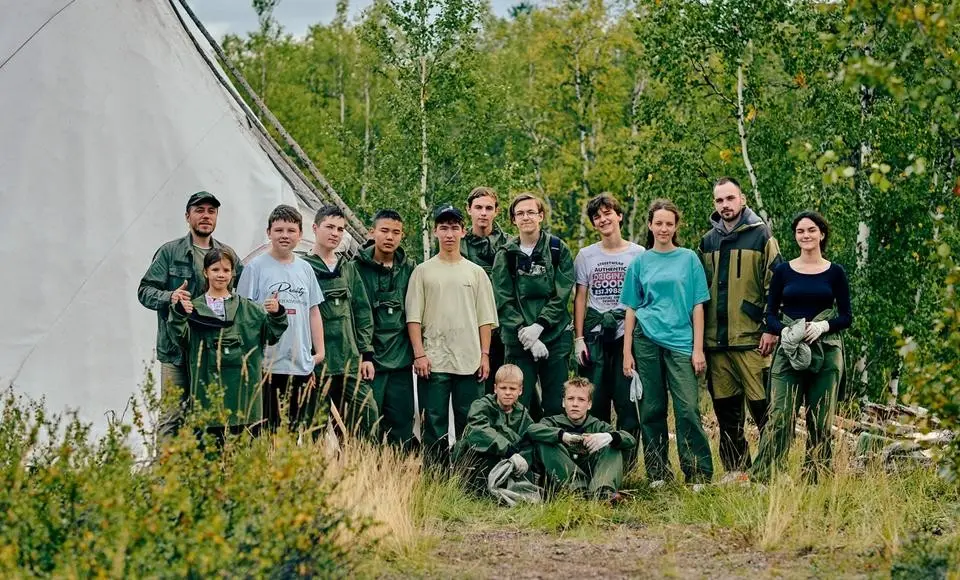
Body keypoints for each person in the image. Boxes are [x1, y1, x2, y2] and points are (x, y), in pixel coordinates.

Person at [750, 210, 851, 483]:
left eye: (811, 230)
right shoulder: (783, 271)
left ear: (822, 234)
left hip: (827, 352)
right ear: (795, 237)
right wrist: (786, 332)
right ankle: (765, 477)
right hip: (789, 352)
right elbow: (770, 314)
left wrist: (822, 326)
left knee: (820, 421)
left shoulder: (835, 273)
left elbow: (846, 317)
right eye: (800, 231)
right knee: (780, 415)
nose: (805, 235)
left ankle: (815, 479)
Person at [621, 199, 714, 486]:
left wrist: (698, 349)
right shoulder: (640, 262)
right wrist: (627, 352)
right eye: (658, 223)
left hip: (681, 342)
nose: (663, 228)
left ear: (676, 227)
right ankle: (658, 472)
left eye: (669, 224)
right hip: (646, 340)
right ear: (649, 225)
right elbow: (631, 309)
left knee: (687, 408)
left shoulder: (688, 259)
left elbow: (699, 305)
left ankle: (698, 472)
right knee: (651, 409)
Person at [138, 191, 243, 436]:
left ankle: (203, 472)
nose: (206, 216)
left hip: (211, 352)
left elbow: (243, 294)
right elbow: (144, 291)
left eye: (211, 211)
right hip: (176, 351)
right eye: (199, 211)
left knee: (210, 415)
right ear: (188, 216)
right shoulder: (170, 252)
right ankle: (165, 473)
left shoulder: (227, 255)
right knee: (172, 416)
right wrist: (170, 297)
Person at [698, 177, 782, 475]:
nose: (725, 205)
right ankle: (737, 471)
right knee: (727, 414)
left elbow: (777, 284)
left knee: (765, 411)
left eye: (730, 199)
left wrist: (771, 327)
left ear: (742, 199)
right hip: (716, 344)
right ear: (714, 204)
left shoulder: (762, 236)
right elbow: (700, 293)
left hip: (753, 341)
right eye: (720, 201)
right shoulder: (708, 241)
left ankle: (770, 472)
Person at [406, 204, 499, 467]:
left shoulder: (476, 273)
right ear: (435, 231)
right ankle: (435, 477)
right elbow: (413, 318)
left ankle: (468, 476)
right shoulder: (423, 271)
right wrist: (419, 354)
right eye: (444, 228)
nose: (449, 234)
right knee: (433, 422)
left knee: (469, 421)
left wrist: (484, 355)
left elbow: (486, 320)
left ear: (463, 231)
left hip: (469, 360)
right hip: (433, 361)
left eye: (454, 228)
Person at [168, 248, 287, 443]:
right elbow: (180, 339)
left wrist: (277, 313)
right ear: (205, 272)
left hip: (244, 403)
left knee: (243, 465)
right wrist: (179, 313)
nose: (221, 275)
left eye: (226, 270)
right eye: (215, 269)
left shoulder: (249, 309)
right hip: (207, 405)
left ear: (232, 273)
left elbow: (271, 336)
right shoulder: (193, 309)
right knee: (209, 466)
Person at [236, 204, 325, 432]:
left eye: (290, 230)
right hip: (267, 364)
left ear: (300, 234)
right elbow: (243, 315)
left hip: (300, 364)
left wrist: (319, 352)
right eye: (279, 230)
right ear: (268, 233)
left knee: (296, 432)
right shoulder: (255, 269)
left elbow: (313, 311)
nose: (285, 235)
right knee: (266, 430)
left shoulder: (305, 269)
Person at [573, 193, 645, 466]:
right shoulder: (586, 255)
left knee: (627, 402)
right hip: (595, 336)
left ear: (619, 215)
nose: (603, 220)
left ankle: (626, 463)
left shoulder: (637, 253)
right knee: (597, 397)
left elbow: (641, 296)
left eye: (607, 213)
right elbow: (580, 297)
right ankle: (595, 460)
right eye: (597, 217)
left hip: (626, 333)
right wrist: (578, 338)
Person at [491, 193, 575, 419]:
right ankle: (519, 453)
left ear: (540, 216)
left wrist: (539, 326)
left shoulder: (558, 249)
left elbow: (562, 293)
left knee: (557, 404)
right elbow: (502, 298)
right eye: (520, 213)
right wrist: (525, 333)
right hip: (518, 342)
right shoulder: (506, 254)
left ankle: (553, 452)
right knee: (518, 404)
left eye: (530, 212)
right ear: (513, 220)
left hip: (555, 338)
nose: (525, 217)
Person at [302, 205, 379, 439]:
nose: (335, 233)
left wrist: (366, 355)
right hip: (318, 363)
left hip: (349, 360)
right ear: (315, 228)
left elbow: (362, 311)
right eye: (329, 227)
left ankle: (366, 472)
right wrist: (305, 363)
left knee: (368, 416)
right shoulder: (302, 268)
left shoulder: (348, 268)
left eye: (341, 229)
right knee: (313, 427)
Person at [352, 209, 418, 449]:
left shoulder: (410, 269)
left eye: (396, 232)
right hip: (368, 363)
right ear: (372, 232)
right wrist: (362, 353)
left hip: (400, 362)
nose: (390, 237)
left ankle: (397, 479)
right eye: (384, 231)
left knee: (401, 425)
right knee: (364, 425)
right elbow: (355, 315)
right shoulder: (355, 268)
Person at [528, 377, 636, 502]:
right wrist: (562, 436)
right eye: (570, 399)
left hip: (591, 473)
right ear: (563, 402)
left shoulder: (598, 425)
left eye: (581, 400)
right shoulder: (552, 422)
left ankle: (603, 492)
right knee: (544, 441)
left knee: (613, 445)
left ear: (589, 404)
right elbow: (532, 429)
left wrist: (609, 437)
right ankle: (578, 492)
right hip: (564, 475)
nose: (575, 404)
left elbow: (630, 440)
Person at [452, 364, 534, 493]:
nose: (507, 392)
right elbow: (478, 430)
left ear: (520, 390)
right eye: (503, 388)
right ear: (495, 388)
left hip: (509, 464)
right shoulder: (481, 405)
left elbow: (528, 440)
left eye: (512, 388)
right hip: (481, 458)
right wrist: (509, 451)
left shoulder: (523, 413)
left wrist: (522, 458)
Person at [461, 186, 509, 393]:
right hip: (469, 327)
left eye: (489, 208)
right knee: (474, 388)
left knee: (508, 385)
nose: (483, 213)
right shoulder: (459, 245)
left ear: (496, 211)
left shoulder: (509, 244)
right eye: (478, 207)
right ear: (468, 209)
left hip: (505, 325)